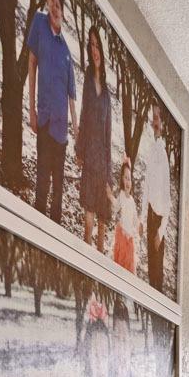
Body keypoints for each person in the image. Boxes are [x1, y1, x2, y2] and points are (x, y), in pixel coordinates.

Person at [26, 0, 77, 224]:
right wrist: (31, 110)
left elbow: (71, 98)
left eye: (57, 3)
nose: (54, 7)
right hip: (45, 120)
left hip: (62, 133)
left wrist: (75, 133)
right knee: (42, 184)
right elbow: (32, 65)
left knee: (58, 191)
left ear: (63, 10)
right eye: (50, 2)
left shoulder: (67, 51)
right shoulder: (38, 23)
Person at [77, 24, 112, 254]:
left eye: (97, 45)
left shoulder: (108, 94)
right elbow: (82, 116)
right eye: (91, 46)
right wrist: (80, 150)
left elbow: (109, 136)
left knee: (102, 219)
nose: (95, 50)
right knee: (88, 214)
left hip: (103, 162)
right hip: (89, 156)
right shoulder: (88, 82)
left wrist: (109, 174)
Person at [140, 103, 171, 291]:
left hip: (159, 220)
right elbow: (147, 186)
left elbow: (167, 198)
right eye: (153, 118)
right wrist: (144, 218)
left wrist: (161, 231)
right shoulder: (152, 150)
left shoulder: (164, 154)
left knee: (158, 270)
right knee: (151, 267)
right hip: (151, 217)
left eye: (157, 118)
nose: (155, 122)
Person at [111, 158, 139, 276]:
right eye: (125, 178)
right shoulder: (121, 195)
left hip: (130, 238)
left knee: (129, 265)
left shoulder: (132, 200)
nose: (128, 182)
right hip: (122, 235)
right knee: (121, 263)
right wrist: (110, 196)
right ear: (122, 180)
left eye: (129, 179)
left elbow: (134, 218)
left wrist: (137, 227)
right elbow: (116, 207)